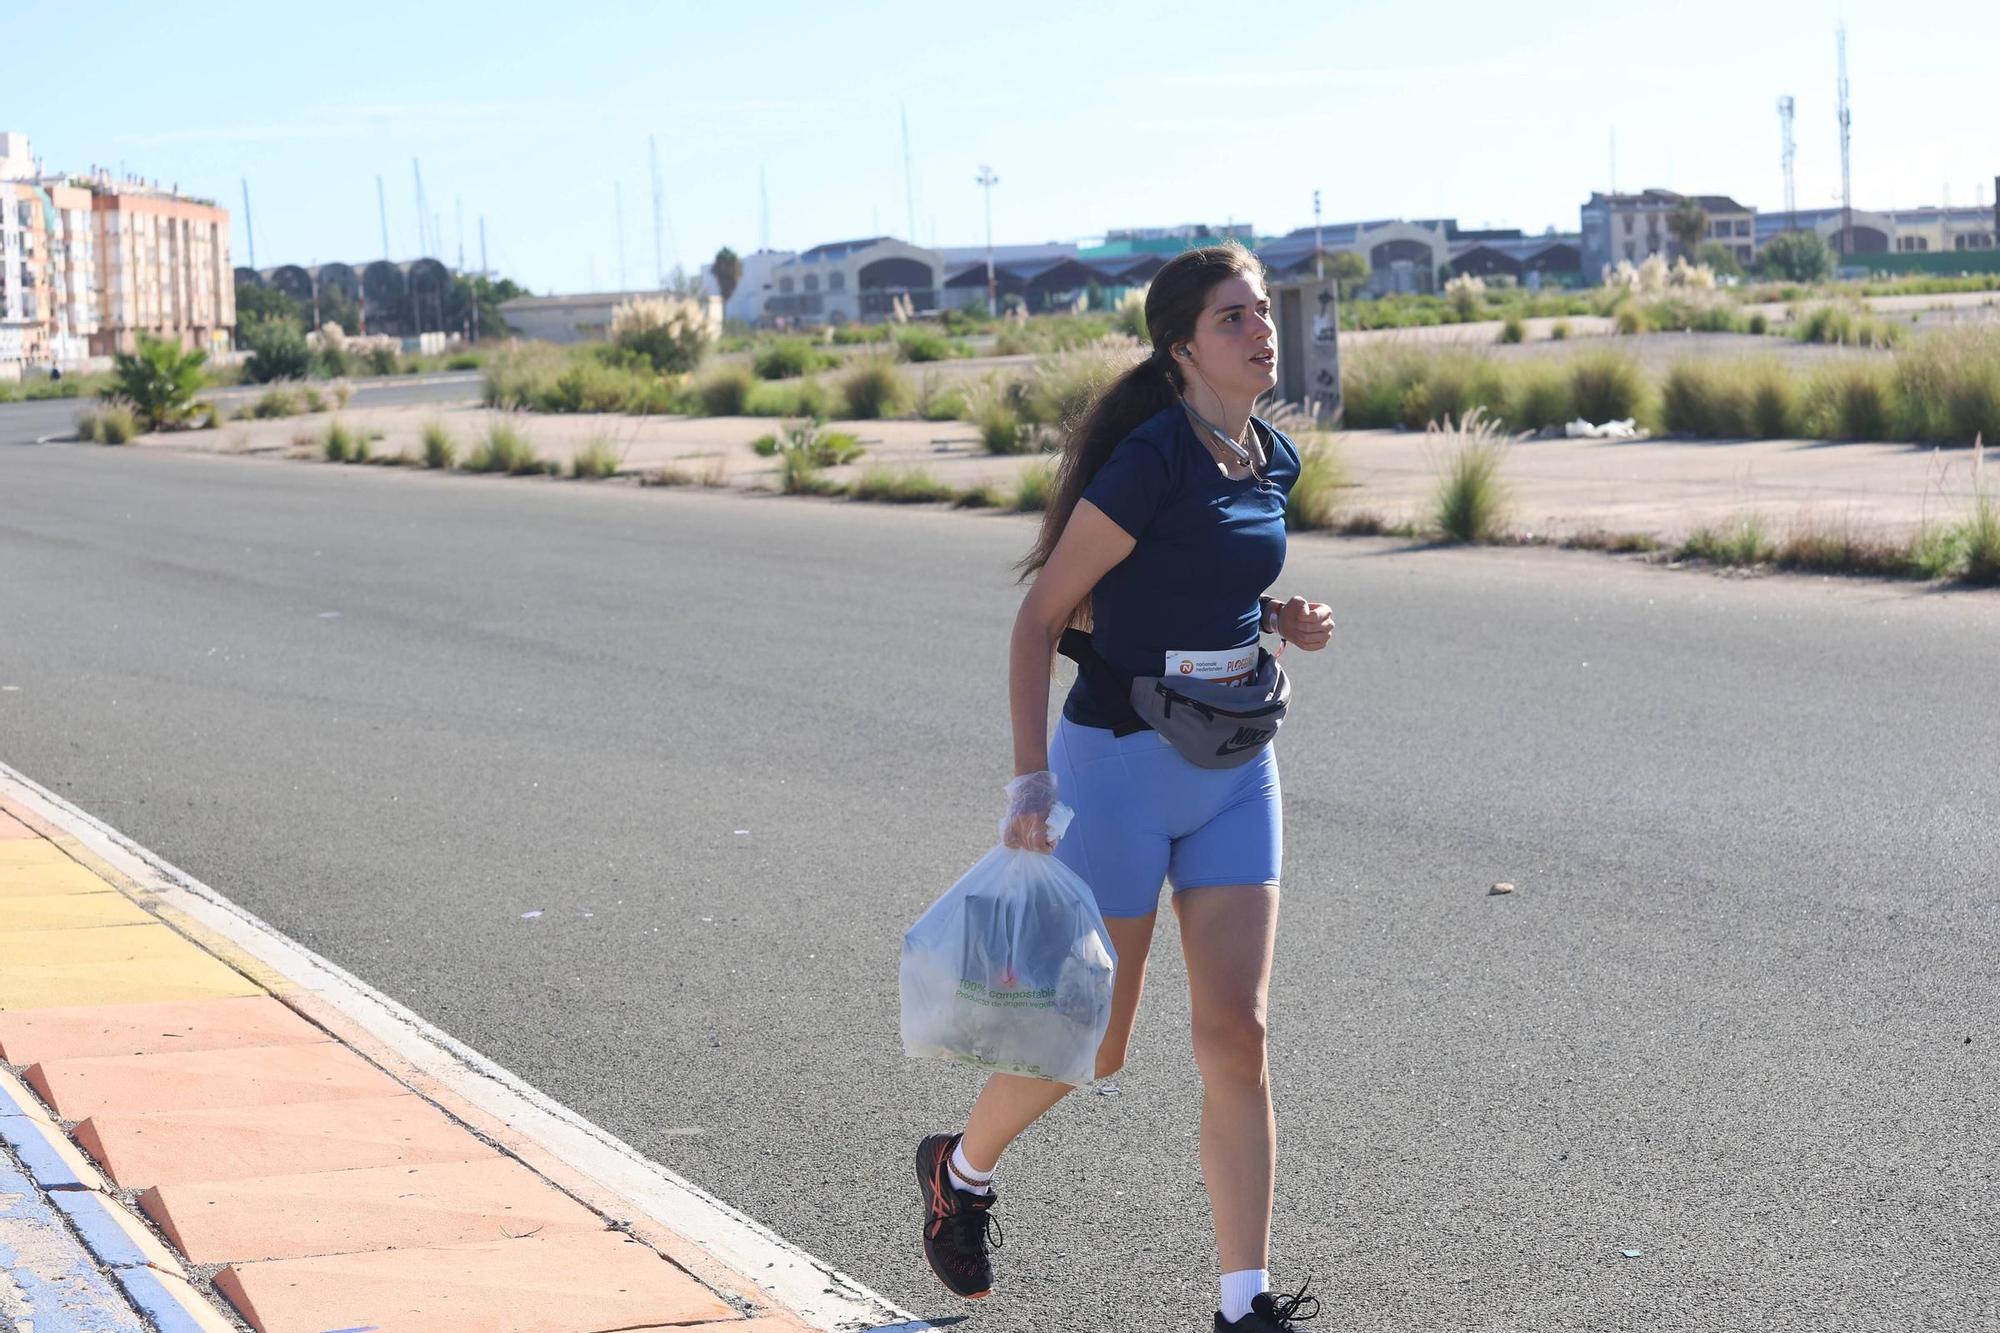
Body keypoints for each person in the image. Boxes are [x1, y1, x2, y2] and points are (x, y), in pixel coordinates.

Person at [914, 243, 1336, 1332]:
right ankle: (958, 1171)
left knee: (1236, 1034)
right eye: (1233, 317)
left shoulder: (1268, 457)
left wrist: (1279, 619)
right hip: (1117, 766)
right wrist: (1027, 773)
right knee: (1090, 1043)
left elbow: (1210, 576)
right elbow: (1038, 617)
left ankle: (1243, 1304)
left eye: (1259, 313)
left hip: (1237, 768)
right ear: (1181, 346)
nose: (1258, 330)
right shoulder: (1150, 460)